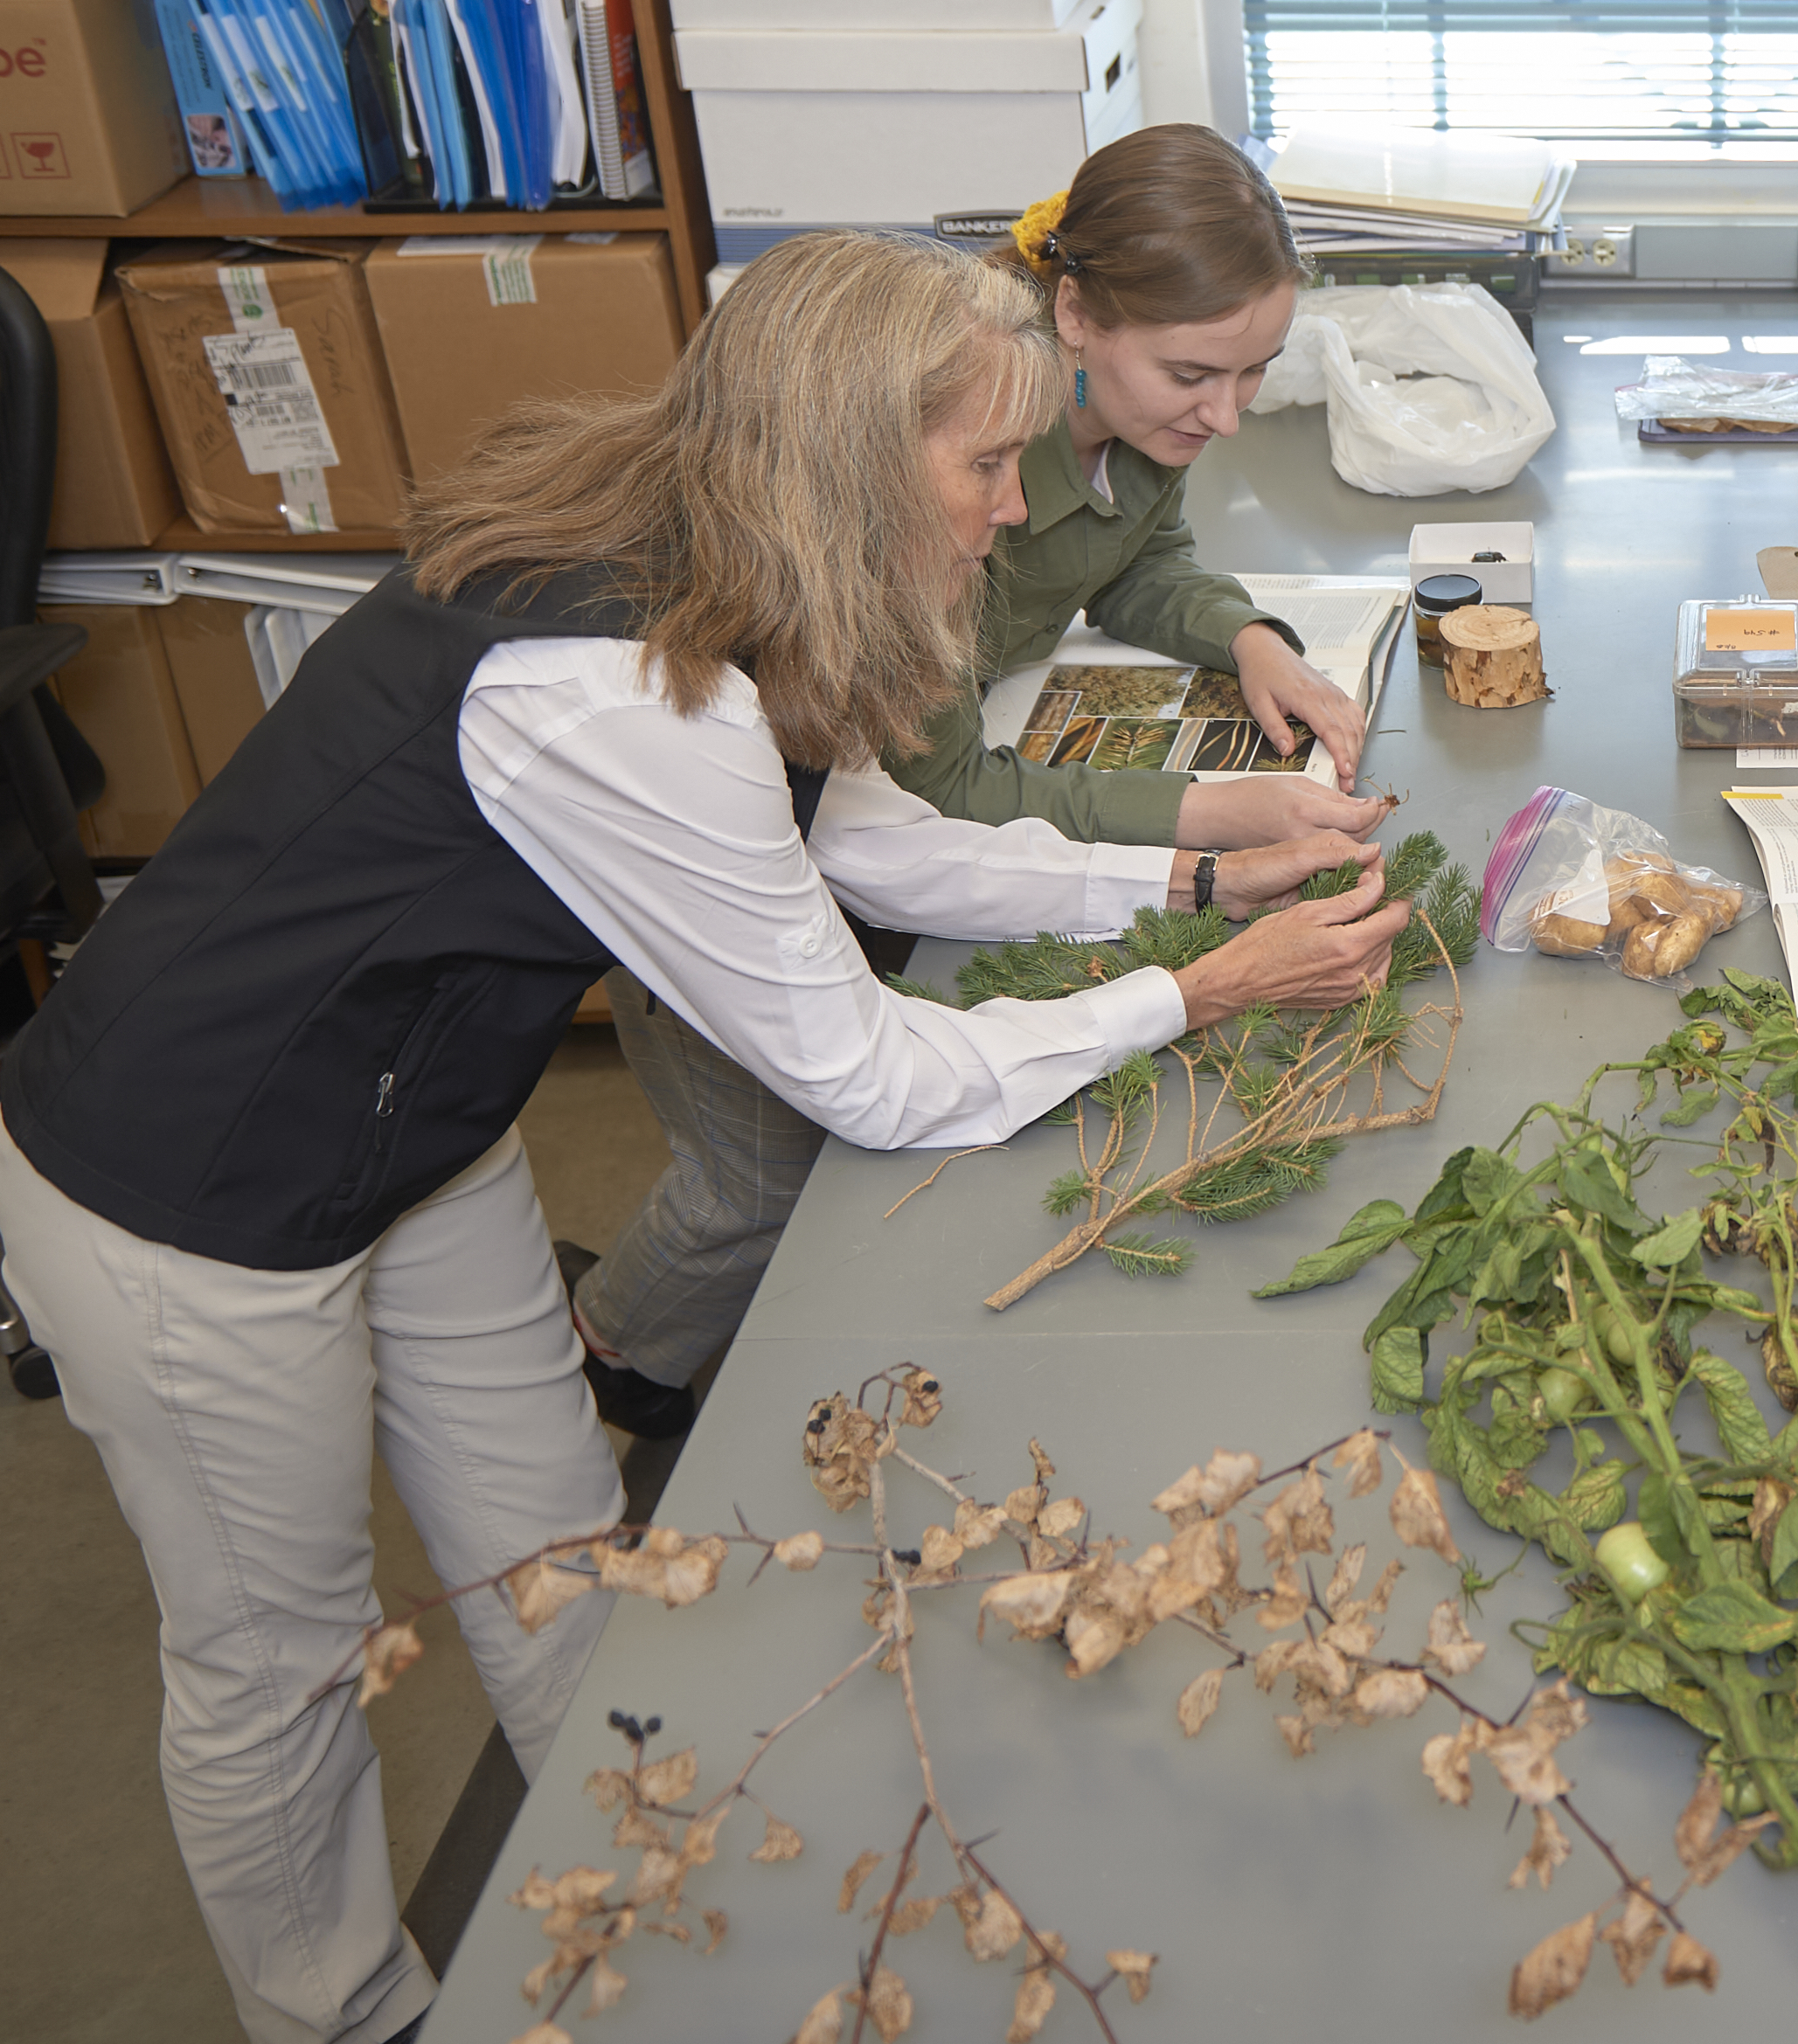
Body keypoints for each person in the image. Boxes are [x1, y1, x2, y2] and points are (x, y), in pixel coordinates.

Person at [0, 232, 1413, 2044]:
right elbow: (872, 1074)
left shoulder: (724, 566)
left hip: (412, 1119)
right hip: (187, 1188)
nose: (1009, 509)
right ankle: (347, 2012)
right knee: (281, 1659)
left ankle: (645, 1894)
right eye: (982, 468)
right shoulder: (617, 685)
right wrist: (1200, 987)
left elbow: (883, 844)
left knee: (563, 1552)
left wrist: (1198, 868)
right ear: (841, 457)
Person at [569, 125, 1384, 1434]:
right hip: (779, 847)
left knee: (842, 1136)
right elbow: (945, 796)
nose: (1225, 415)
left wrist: (1248, 641)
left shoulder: (1130, 418)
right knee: (762, 1179)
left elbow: (1128, 564)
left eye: (1255, 375)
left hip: (863, 820)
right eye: (1193, 373)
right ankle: (612, 1357)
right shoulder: (939, 471)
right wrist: (1208, 820)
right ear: (1072, 311)